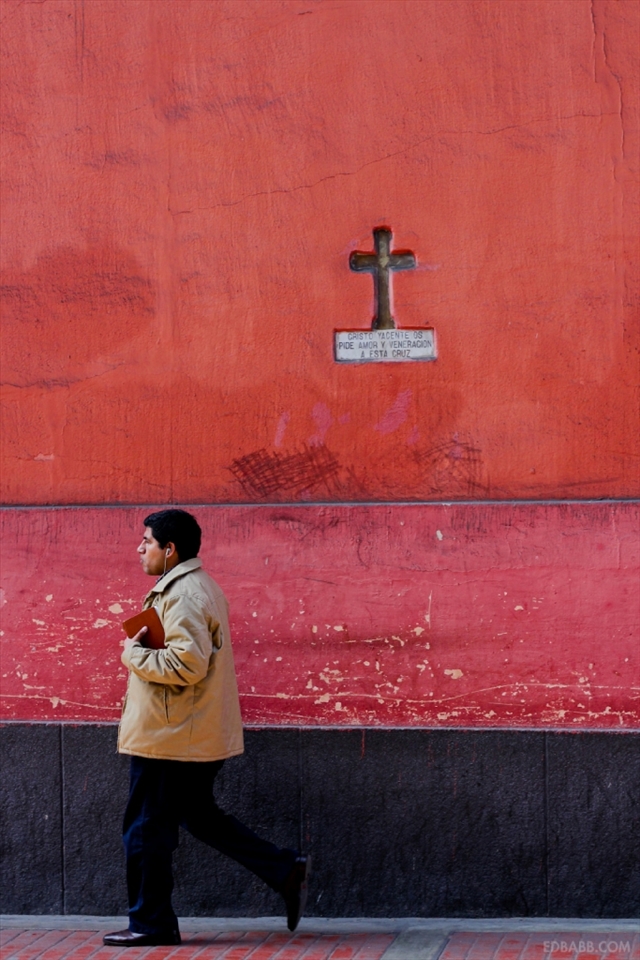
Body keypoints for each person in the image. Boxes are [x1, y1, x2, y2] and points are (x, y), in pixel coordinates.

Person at [103, 509, 310, 947]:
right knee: (200, 817)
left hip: (170, 738)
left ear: (170, 549)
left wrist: (130, 653)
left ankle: (150, 922)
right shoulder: (193, 588)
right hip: (188, 733)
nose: (140, 547)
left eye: (147, 541)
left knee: (144, 829)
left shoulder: (183, 595)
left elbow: (186, 665)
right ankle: (283, 869)